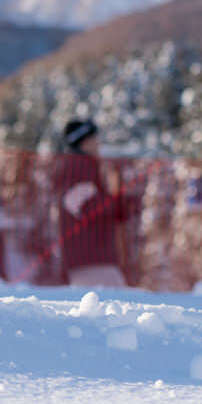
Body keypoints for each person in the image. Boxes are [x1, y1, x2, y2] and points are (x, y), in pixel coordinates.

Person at [48, 118, 140, 287]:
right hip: (90, 259)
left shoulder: (81, 167)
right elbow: (86, 206)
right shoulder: (78, 167)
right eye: (94, 139)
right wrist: (122, 205)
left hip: (92, 258)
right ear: (84, 142)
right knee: (116, 304)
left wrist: (121, 206)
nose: (98, 144)